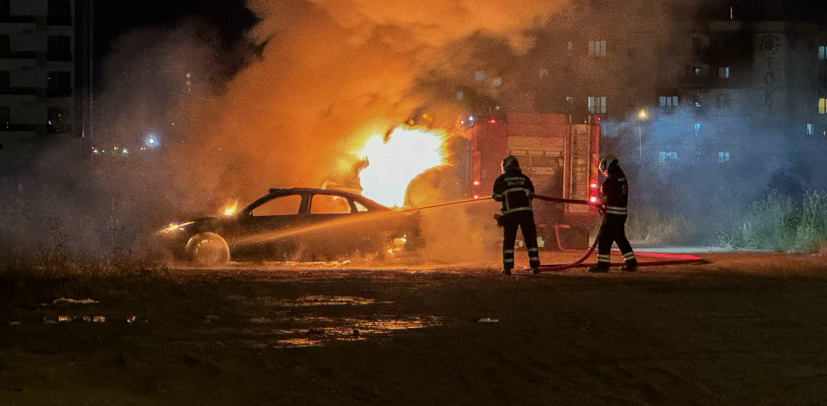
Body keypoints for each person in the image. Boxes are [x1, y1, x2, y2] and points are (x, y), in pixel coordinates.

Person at [588, 155, 637, 273]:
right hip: (620, 214)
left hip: (614, 214)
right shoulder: (620, 175)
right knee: (619, 237)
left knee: (604, 237)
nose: (604, 173)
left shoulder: (613, 176)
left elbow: (607, 192)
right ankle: (631, 262)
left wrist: (602, 203)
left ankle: (603, 264)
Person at [492, 155, 540, 275]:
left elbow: (496, 196)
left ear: (506, 167)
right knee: (530, 239)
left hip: (511, 214)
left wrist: (505, 197)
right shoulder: (525, 179)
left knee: (509, 240)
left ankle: (507, 268)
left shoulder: (501, 179)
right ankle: (535, 266)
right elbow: (531, 194)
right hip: (526, 213)